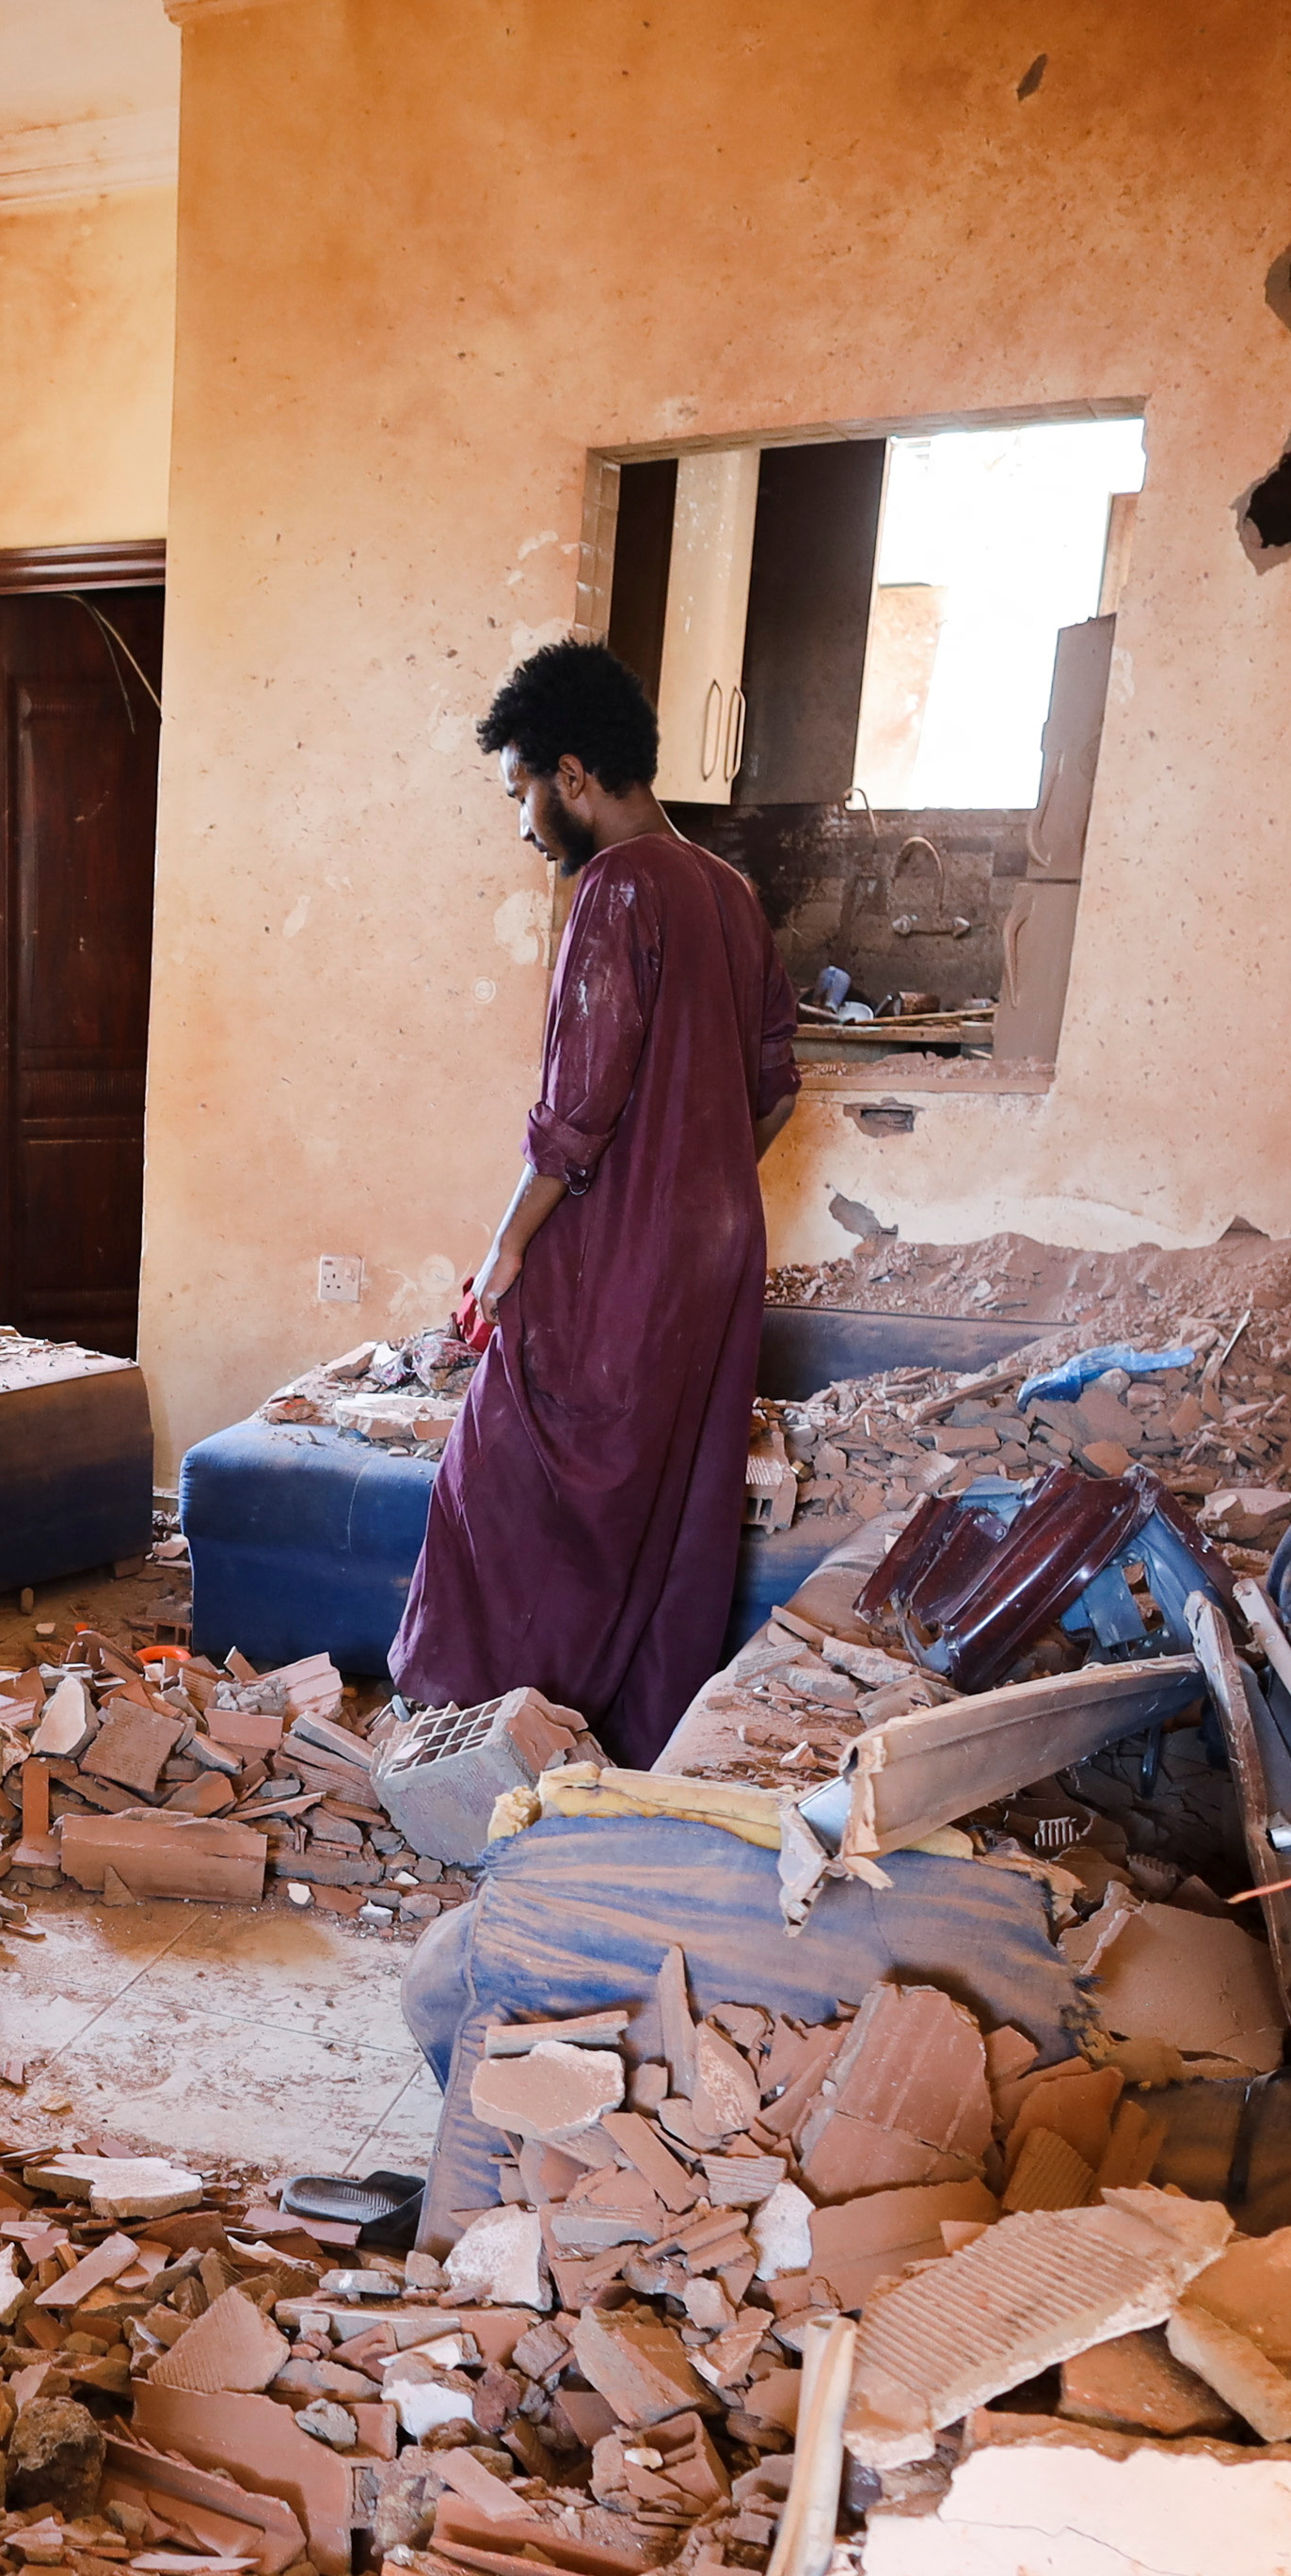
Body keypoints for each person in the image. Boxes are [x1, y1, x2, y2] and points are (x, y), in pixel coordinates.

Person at [387, 639, 801, 1771]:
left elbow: (575, 1114)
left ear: (571, 774)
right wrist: (696, 1171)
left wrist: (504, 1250)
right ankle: (626, 1751)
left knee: (497, 1480)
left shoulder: (618, 888)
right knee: (667, 1506)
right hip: (714, 1255)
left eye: (520, 788)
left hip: (614, 1256)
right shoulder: (727, 888)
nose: (521, 822)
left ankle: (475, 1742)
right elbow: (773, 1089)